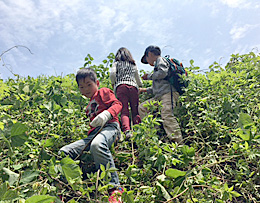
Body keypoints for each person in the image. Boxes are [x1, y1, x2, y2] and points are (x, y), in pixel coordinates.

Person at [59, 68, 123, 202]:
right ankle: (64, 186)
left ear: (97, 83)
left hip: (109, 127)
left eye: (89, 84)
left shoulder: (103, 92)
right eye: (82, 86)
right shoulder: (88, 106)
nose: (86, 89)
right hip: (94, 133)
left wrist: (107, 114)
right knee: (64, 152)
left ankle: (115, 188)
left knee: (97, 144)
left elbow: (117, 104)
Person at [139, 45, 182, 143]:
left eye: (146, 59)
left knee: (167, 115)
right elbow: (156, 89)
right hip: (160, 95)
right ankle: (155, 135)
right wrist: (143, 90)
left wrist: (149, 76)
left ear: (149, 54)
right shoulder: (157, 66)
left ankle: (178, 144)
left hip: (168, 93)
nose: (148, 62)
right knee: (142, 107)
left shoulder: (160, 60)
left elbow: (163, 73)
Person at [110, 47, 143, 140]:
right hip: (133, 87)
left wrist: (114, 84)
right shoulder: (133, 64)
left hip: (121, 87)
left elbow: (112, 74)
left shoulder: (116, 63)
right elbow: (138, 78)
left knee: (124, 110)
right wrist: (140, 85)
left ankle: (127, 131)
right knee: (135, 110)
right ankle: (137, 131)